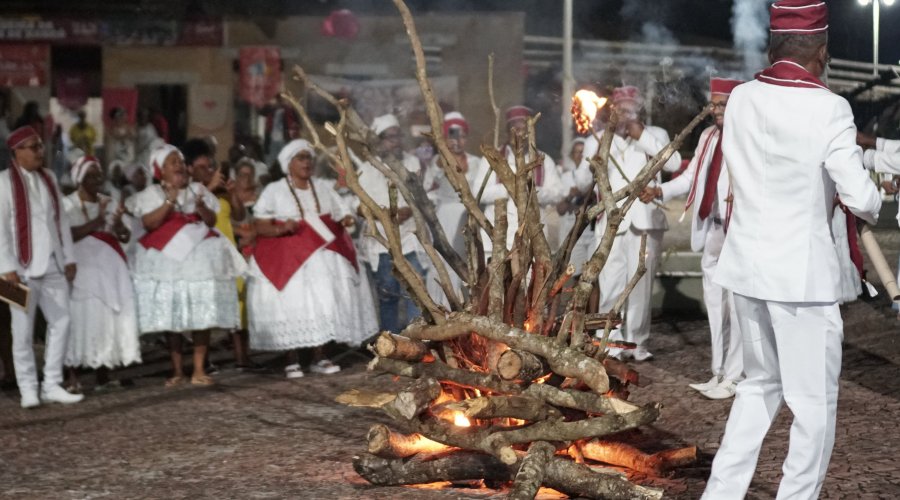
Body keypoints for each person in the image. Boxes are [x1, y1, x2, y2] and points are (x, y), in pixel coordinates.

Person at [701, 2, 882, 498]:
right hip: (801, 278)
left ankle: (721, 493)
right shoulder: (829, 108)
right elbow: (859, 197)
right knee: (813, 402)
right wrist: (881, 192)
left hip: (746, 269)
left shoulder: (739, 99)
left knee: (758, 388)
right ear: (821, 51)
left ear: (776, 44)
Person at [640, 77, 744, 399]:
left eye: (722, 104)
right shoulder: (708, 136)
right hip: (711, 226)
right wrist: (660, 189)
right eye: (713, 104)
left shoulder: (747, 136)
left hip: (738, 228)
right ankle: (719, 371)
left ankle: (737, 376)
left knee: (738, 305)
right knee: (715, 303)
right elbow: (690, 176)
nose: (715, 110)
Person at [248, 140, 377, 377]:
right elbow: (259, 224)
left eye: (308, 158)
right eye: (301, 158)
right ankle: (292, 358)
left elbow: (342, 212)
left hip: (324, 260)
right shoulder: (274, 190)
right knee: (292, 304)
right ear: (289, 164)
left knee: (325, 303)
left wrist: (347, 220)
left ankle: (320, 356)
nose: (306, 163)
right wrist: (281, 228)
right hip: (288, 260)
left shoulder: (323, 187)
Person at [574, 86, 682, 361]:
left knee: (641, 286)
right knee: (609, 284)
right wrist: (594, 160)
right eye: (619, 109)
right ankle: (608, 343)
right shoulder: (596, 138)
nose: (624, 114)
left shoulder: (655, 134)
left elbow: (674, 163)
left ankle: (638, 343)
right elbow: (581, 183)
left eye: (629, 109)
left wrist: (642, 136)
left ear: (638, 111)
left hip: (646, 222)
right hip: (610, 222)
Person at [130, 144, 247, 387]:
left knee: (200, 316)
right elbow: (149, 224)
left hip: (200, 263)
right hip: (168, 263)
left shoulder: (197, 189)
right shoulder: (151, 194)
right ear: (160, 170)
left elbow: (212, 219)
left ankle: (198, 368)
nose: (180, 166)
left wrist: (202, 207)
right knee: (173, 317)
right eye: (173, 162)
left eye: (181, 162)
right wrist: (169, 202)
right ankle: (176, 371)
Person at [0, 126, 83, 408]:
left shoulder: (48, 178)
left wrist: (69, 257)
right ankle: (27, 389)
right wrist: (5, 268)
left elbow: (60, 221)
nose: (40, 151)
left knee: (62, 321)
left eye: (39, 146)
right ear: (17, 151)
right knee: (20, 330)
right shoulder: (2, 182)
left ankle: (51, 383)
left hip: (52, 263)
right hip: (14, 270)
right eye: (33, 147)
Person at [62, 156, 140, 391]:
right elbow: (68, 235)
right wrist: (97, 221)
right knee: (78, 317)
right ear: (79, 180)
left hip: (108, 268)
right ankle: (72, 375)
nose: (97, 179)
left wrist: (117, 226)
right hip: (81, 268)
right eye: (91, 175)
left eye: (99, 174)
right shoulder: (67, 204)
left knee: (105, 318)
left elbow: (125, 236)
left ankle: (103, 373)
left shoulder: (110, 201)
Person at [182, 138, 258, 371]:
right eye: (204, 167)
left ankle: (241, 358)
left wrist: (232, 193)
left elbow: (238, 215)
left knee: (240, 300)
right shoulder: (189, 192)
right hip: (201, 255)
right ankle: (202, 362)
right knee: (203, 306)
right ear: (190, 169)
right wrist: (210, 187)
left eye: (211, 166)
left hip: (227, 251)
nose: (210, 171)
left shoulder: (219, 189)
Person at [356, 114, 427, 333]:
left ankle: (417, 343)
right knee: (387, 297)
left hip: (410, 239)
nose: (396, 141)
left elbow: (420, 197)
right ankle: (393, 344)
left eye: (398, 136)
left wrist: (409, 209)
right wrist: (382, 215)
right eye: (390, 137)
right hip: (381, 244)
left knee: (416, 296)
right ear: (378, 140)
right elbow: (358, 206)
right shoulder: (366, 170)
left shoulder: (412, 163)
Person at [474, 105, 565, 256]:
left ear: (531, 132)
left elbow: (557, 193)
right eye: (514, 129)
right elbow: (478, 193)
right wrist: (511, 187)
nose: (519, 134)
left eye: (523, 129)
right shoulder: (492, 157)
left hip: (533, 238)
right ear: (508, 131)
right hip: (498, 238)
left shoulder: (543, 160)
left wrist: (532, 191)